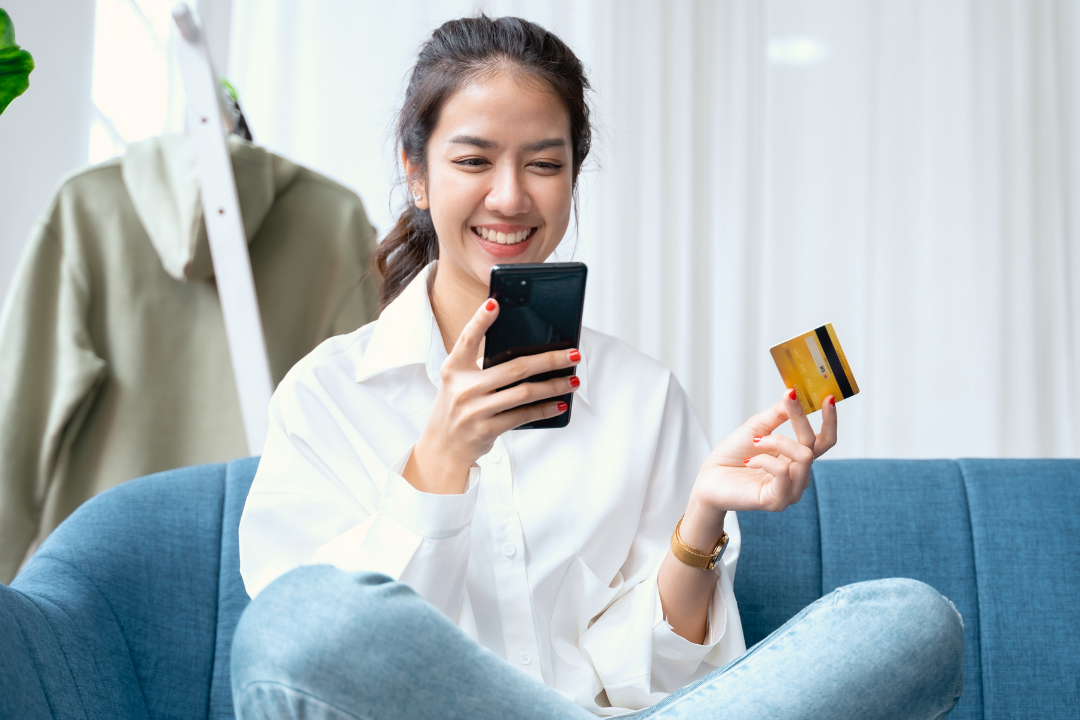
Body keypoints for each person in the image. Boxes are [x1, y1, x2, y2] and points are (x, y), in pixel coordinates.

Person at [232, 15, 964, 720]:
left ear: (573, 177)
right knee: (293, 623)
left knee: (910, 624)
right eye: (474, 161)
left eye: (544, 164)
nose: (510, 196)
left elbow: (675, 689)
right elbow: (318, 658)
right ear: (416, 172)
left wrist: (700, 523)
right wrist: (441, 458)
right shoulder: (326, 396)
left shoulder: (643, 397)